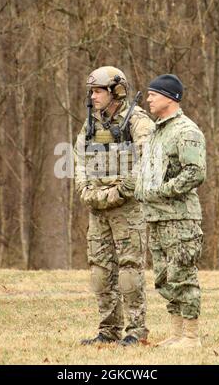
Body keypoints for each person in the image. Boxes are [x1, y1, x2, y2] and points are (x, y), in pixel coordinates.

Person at [74, 66, 154, 346]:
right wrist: (86, 191)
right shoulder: (91, 123)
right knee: (100, 271)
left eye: (98, 91)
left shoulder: (138, 121)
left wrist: (118, 192)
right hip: (97, 210)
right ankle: (108, 330)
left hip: (127, 211)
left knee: (130, 270)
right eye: (91, 91)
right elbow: (79, 160)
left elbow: (148, 162)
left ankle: (135, 331)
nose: (93, 96)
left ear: (115, 92)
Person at [135, 74, 206, 349]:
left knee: (183, 275)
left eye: (153, 94)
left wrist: (163, 191)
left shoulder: (186, 130)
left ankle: (191, 336)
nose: (148, 98)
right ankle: (177, 333)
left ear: (169, 97)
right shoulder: (157, 131)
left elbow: (195, 172)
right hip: (156, 217)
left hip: (180, 219)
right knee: (165, 277)